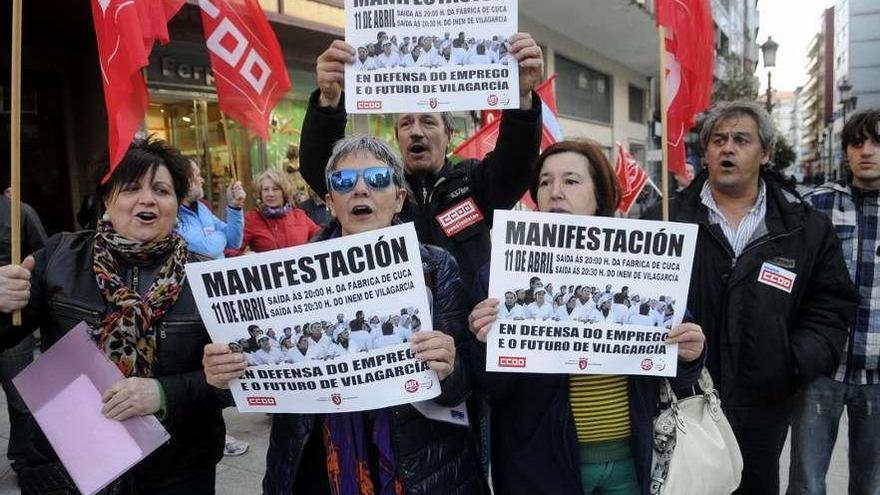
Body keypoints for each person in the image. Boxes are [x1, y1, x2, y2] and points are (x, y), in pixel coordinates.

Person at [202, 136, 485, 494]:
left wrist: (449, 365)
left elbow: (465, 386)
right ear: (330, 203)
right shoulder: (285, 278)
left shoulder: (435, 266)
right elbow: (245, 390)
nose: (361, 190)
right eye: (344, 182)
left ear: (399, 198)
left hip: (420, 470)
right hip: (317, 468)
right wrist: (223, 377)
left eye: (378, 179)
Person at [467, 140, 706, 495]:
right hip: (537, 467)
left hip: (627, 462)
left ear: (600, 198)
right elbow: (490, 387)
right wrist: (483, 339)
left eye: (571, 181)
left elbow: (676, 359)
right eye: (545, 183)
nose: (555, 192)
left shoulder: (643, 268)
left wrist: (692, 353)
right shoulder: (499, 275)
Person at [644, 101, 858, 494]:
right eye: (718, 140)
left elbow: (831, 305)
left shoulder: (804, 227)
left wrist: (791, 361)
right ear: (705, 153)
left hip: (764, 403)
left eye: (741, 139)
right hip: (682, 398)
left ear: (765, 152)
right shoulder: (663, 220)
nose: (728, 149)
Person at [0, 137, 228, 493]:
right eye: (132, 188)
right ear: (107, 198)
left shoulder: (208, 279)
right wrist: (1, 301)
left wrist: (166, 394)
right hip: (69, 466)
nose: (148, 199)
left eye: (162, 190)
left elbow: (232, 384)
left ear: (176, 204)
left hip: (178, 468)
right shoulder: (59, 257)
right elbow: (8, 334)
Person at [299, 33, 544, 298]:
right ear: (397, 137)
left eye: (428, 121)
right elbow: (322, 169)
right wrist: (328, 101)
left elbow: (517, 164)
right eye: (406, 123)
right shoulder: (379, 188)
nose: (416, 132)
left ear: (449, 134)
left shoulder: (475, 181)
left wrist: (520, 98)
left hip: (467, 332)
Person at [788, 108, 880, 494]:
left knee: (871, 484)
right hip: (822, 368)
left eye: (876, 142)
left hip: (877, 372)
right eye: (857, 143)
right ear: (845, 152)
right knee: (807, 483)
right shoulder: (816, 205)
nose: (867, 151)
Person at [0, 190, 46, 476]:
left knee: (21, 395)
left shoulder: (19, 211)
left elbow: (43, 254)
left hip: (13, 319)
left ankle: (23, 455)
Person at [231, 169, 320, 254]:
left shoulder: (299, 216)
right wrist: (248, 257)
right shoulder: (251, 219)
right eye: (266, 189)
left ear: (284, 192)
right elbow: (231, 250)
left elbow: (321, 238)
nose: (270, 194)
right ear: (260, 194)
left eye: (275, 189)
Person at [177, 159, 246, 259]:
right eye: (198, 175)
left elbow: (234, 242)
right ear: (185, 180)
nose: (202, 180)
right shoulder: (174, 215)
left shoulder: (201, 208)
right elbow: (207, 250)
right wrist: (222, 235)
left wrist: (235, 207)